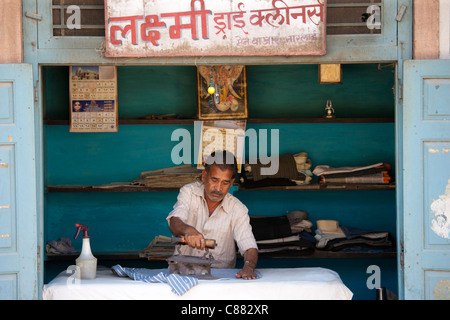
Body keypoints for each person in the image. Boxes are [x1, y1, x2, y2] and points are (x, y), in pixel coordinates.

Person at [166, 150, 259, 280]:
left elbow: (249, 246)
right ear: (204, 175)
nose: (218, 188)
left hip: (219, 279)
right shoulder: (189, 193)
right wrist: (188, 230)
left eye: (225, 183)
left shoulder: (238, 209)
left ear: (231, 183)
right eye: (214, 180)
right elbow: (175, 221)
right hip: (183, 275)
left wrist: (248, 267)